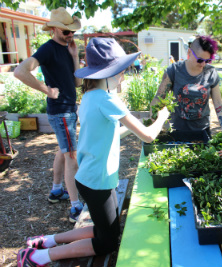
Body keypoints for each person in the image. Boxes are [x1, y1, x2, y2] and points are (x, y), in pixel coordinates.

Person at [17, 38, 170, 267]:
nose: (122, 77)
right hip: (98, 183)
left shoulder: (90, 96)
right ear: (107, 73)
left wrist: (131, 128)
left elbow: (107, 135)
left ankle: (46, 241)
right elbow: (148, 136)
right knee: (107, 242)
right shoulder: (108, 99)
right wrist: (162, 118)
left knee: (103, 227)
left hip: (89, 179)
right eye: (120, 72)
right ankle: (39, 257)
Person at [14, 7, 83, 223]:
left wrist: (75, 56)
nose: (70, 35)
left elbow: (78, 82)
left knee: (64, 151)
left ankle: (56, 191)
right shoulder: (48, 49)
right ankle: (75, 206)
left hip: (68, 109)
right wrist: (47, 90)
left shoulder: (67, 49)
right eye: (65, 32)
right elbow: (20, 71)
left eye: (72, 31)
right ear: (54, 29)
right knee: (72, 157)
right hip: (61, 111)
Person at [151, 35, 222, 139]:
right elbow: (159, 97)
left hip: (202, 130)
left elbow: (218, 103)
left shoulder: (211, 72)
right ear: (189, 53)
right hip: (177, 130)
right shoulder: (174, 70)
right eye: (200, 60)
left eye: (207, 60)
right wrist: (153, 123)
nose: (203, 64)